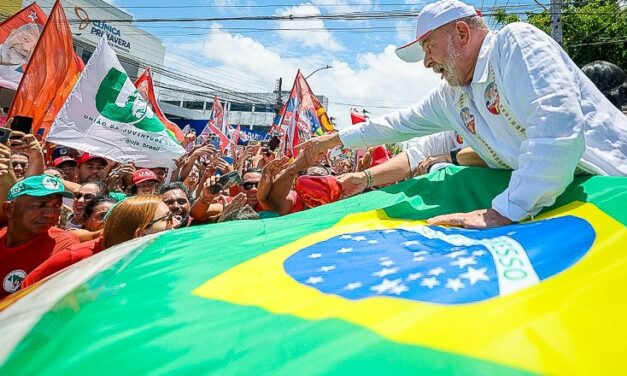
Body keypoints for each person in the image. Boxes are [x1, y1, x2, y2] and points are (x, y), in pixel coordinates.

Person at [298, 0, 627, 228]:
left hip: (615, 190)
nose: (427, 62)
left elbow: (558, 130)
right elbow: (396, 125)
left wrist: (502, 213)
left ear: (462, 33)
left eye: (429, 47)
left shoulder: (514, 43)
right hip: (574, 207)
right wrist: (333, 140)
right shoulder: (452, 96)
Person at [22, 195, 176, 288]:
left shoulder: (151, 255)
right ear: (141, 233)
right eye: (167, 219)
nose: (174, 224)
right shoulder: (78, 257)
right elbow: (27, 289)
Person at [0, 175, 79, 297]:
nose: (51, 214)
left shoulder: (64, 247)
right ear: (9, 209)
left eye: (57, 205)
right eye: (40, 205)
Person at [0, 23, 42, 90]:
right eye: (25, 39)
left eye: (35, 48)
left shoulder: (25, 83)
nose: (26, 48)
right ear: (12, 33)